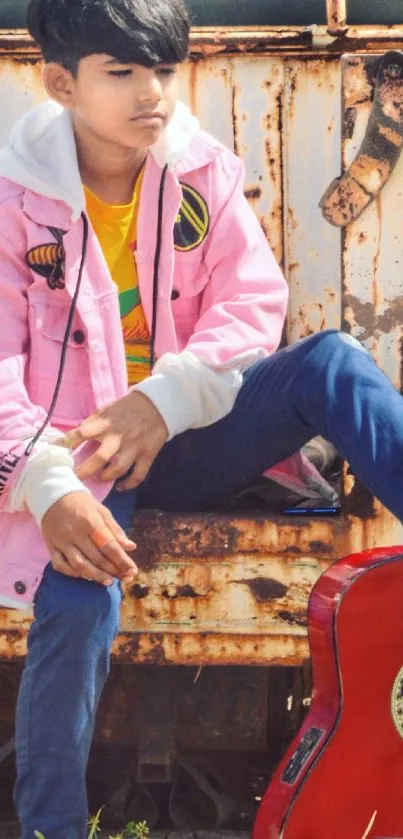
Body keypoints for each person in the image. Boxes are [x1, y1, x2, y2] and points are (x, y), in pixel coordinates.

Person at [1, 0, 403, 835]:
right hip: (76, 455)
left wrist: (162, 400)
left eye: (162, 69)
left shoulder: (199, 169)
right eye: (122, 72)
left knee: (330, 360)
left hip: (186, 429)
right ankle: (51, 825)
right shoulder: (11, 198)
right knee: (76, 602)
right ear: (60, 82)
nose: (152, 93)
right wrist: (47, 485)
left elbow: (251, 306)